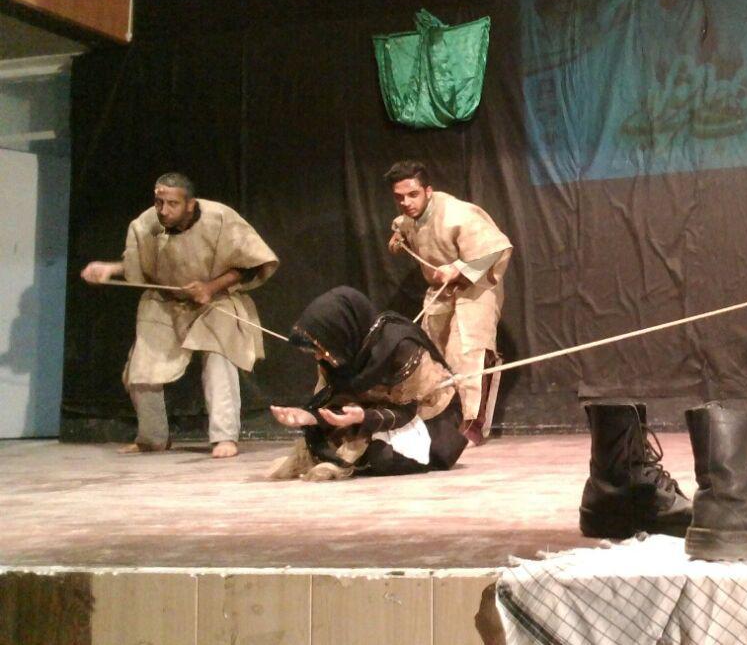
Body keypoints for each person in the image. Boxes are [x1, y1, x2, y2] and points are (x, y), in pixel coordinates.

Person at [80, 172, 278, 458]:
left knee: (219, 358)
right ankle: (152, 438)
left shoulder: (220, 218)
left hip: (215, 300)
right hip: (165, 302)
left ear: (190, 204)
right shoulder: (145, 224)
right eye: (159, 202)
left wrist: (210, 287)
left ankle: (224, 437)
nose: (163, 210)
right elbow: (136, 264)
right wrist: (109, 269)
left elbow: (251, 263)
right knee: (142, 367)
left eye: (172, 204)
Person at [267, 286, 469, 480]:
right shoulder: (338, 355)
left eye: (321, 349)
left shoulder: (401, 347)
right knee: (325, 441)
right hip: (368, 413)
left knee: (383, 457)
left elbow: (407, 410)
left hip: (424, 411)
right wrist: (310, 416)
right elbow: (336, 402)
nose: (318, 356)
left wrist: (365, 417)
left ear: (342, 333)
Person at [385, 160, 513, 444]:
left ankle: (472, 425)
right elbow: (403, 224)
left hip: (475, 288)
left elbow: (497, 247)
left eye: (413, 194)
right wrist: (399, 236)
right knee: (433, 353)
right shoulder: (409, 215)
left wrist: (458, 269)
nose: (406, 203)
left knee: (468, 350)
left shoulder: (458, 214)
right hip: (440, 291)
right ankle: (441, 421)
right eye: (399, 197)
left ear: (428, 191)